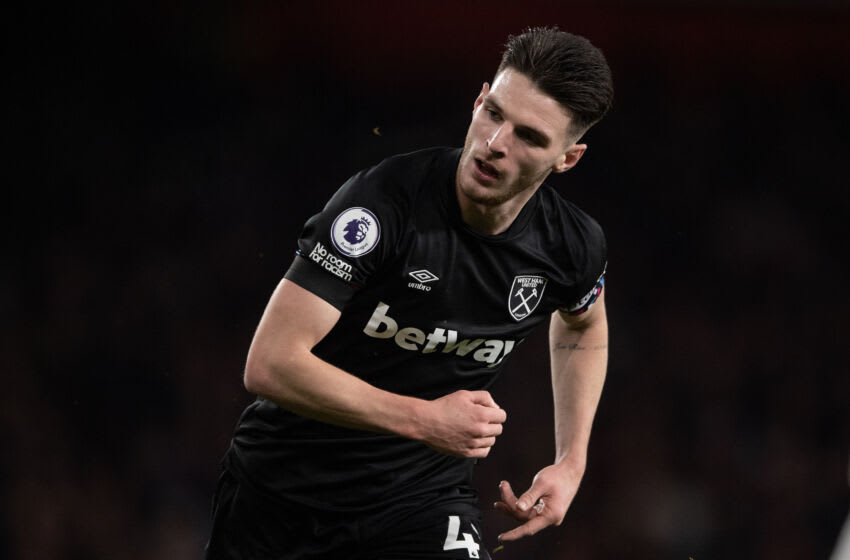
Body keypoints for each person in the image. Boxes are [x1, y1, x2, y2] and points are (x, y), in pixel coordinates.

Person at [206, 26, 614, 560]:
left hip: (421, 501)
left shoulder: (571, 245)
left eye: (530, 137)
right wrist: (424, 420)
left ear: (567, 159)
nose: (495, 144)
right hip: (281, 497)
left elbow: (583, 324)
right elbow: (270, 363)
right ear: (477, 102)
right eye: (492, 113)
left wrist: (571, 462)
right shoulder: (381, 206)